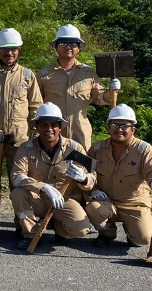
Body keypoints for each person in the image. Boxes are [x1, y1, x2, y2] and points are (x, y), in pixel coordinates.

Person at [9, 102, 97, 249]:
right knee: (18, 193)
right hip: (37, 198)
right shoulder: (26, 148)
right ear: (37, 127)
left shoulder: (74, 148)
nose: (48, 129)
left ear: (60, 127)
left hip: (64, 200)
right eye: (43, 125)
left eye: (53, 125)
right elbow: (17, 176)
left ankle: (58, 225)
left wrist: (83, 178)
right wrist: (43, 187)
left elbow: (92, 176)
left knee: (80, 230)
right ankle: (30, 234)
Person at [0, 27, 43, 208]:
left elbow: (36, 108)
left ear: (19, 51)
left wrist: (36, 135)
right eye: (5, 49)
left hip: (19, 140)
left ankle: (21, 219)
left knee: (19, 179)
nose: (9, 53)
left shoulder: (27, 75)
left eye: (13, 49)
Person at [86, 104, 152, 247]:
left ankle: (133, 232)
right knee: (93, 209)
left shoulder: (144, 150)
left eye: (124, 126)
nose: (119, 129)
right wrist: (94, 190)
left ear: (133, 130)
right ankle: (107, 233)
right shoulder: (97, 149)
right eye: (115, 125)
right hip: (106, 201)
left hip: (135, 203)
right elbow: (87, 174)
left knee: (144, 239)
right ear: (109, 127)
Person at [37, 24, 119, 150]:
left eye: (73, 43)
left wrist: (112, 90)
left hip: (81, 133)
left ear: (79, 48)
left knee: (83, 162)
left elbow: (101, 98)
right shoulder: (44, 75)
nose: (68, 47)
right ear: (56, 47)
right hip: (52, 134)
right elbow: (35, 104)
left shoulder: (88, 73)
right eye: (63, 43)